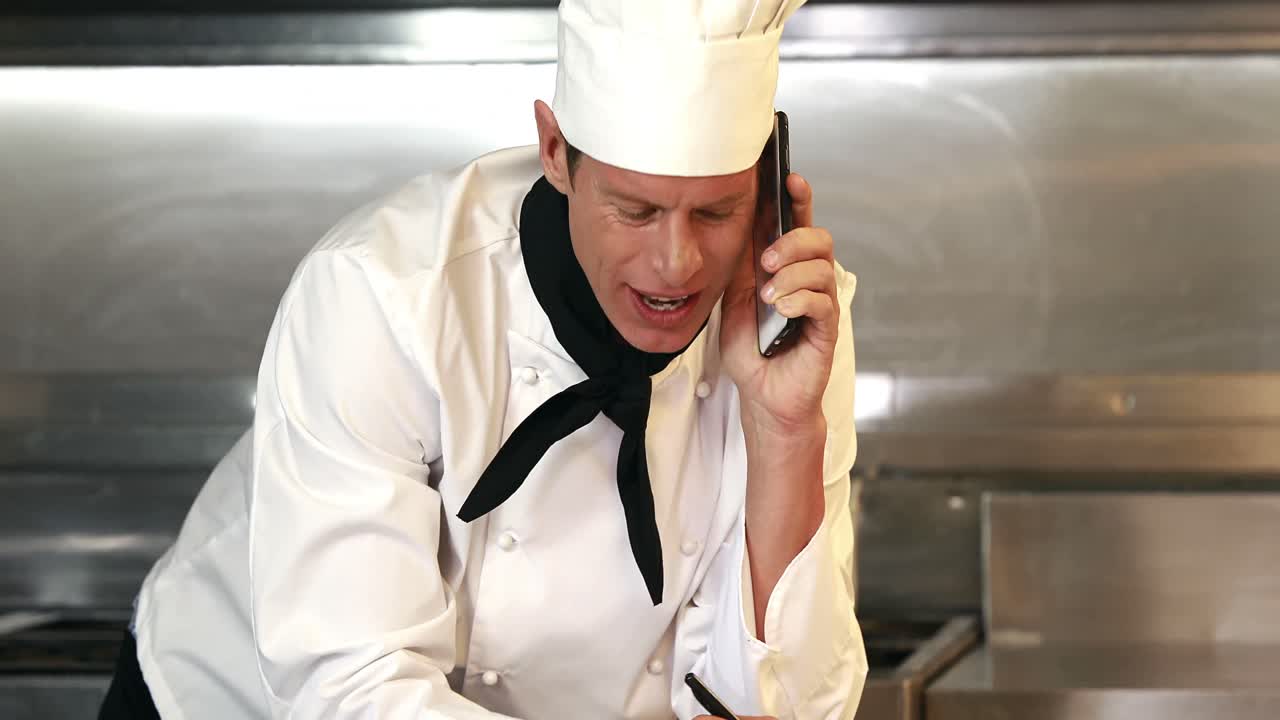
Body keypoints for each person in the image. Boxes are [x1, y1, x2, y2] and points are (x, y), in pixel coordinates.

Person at [98, 0, 867, 718]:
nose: (676, 263)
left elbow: (787, 704)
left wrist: (786, 435)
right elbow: (353, 686)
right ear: (556, 153)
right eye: (635, 210)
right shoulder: (386, 295)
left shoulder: (789, 325)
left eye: (716, 212)